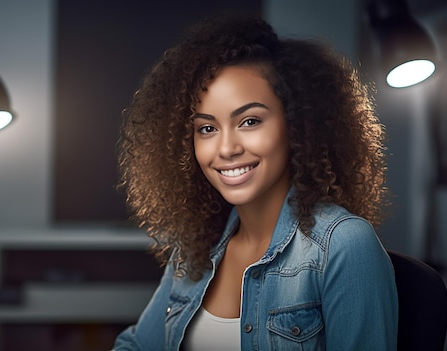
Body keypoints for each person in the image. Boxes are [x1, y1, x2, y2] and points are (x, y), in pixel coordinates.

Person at [113, 12, 398, 351]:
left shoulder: (344, 245)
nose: (227, 148)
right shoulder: (196, 247)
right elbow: (137, 346)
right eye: (207, 128)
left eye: (249, 121)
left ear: (296, 123)